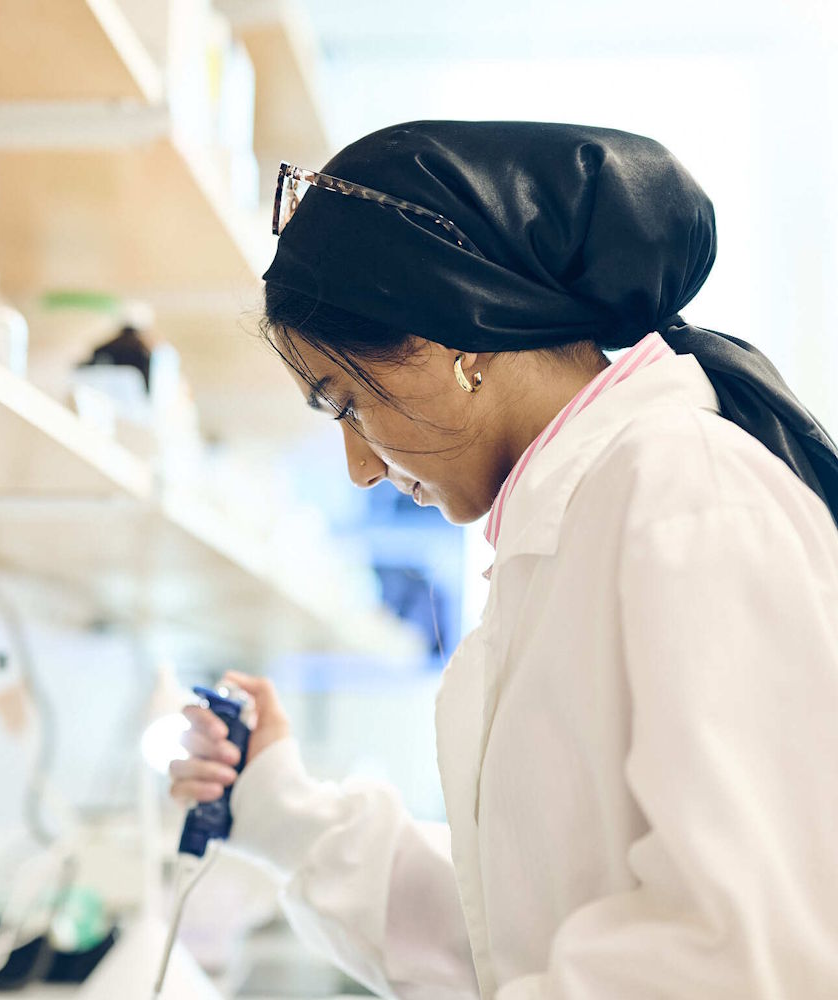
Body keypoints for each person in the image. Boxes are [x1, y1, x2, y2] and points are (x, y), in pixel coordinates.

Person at [169, 121, 838, 998]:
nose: (362, 467)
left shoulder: (684, 491)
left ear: (463, 340)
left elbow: (743, 955)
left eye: (350, 405)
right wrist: (280, 807)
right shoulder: (575, 520)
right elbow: (517, 939)